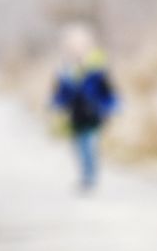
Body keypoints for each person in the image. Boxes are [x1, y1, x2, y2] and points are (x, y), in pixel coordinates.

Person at [48, 22, 120, 192]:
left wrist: (111, 105)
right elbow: (61, 92)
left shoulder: (97, 67)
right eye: (72, 46)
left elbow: (107, 89)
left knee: (89, 145)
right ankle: (85, 175)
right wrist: (56, 103)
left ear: (87, 45)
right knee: (78, 147)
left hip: (94, 113)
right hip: (75, 115)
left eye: (79, 45)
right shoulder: (65, 69)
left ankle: (90, 177)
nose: (76, 49)